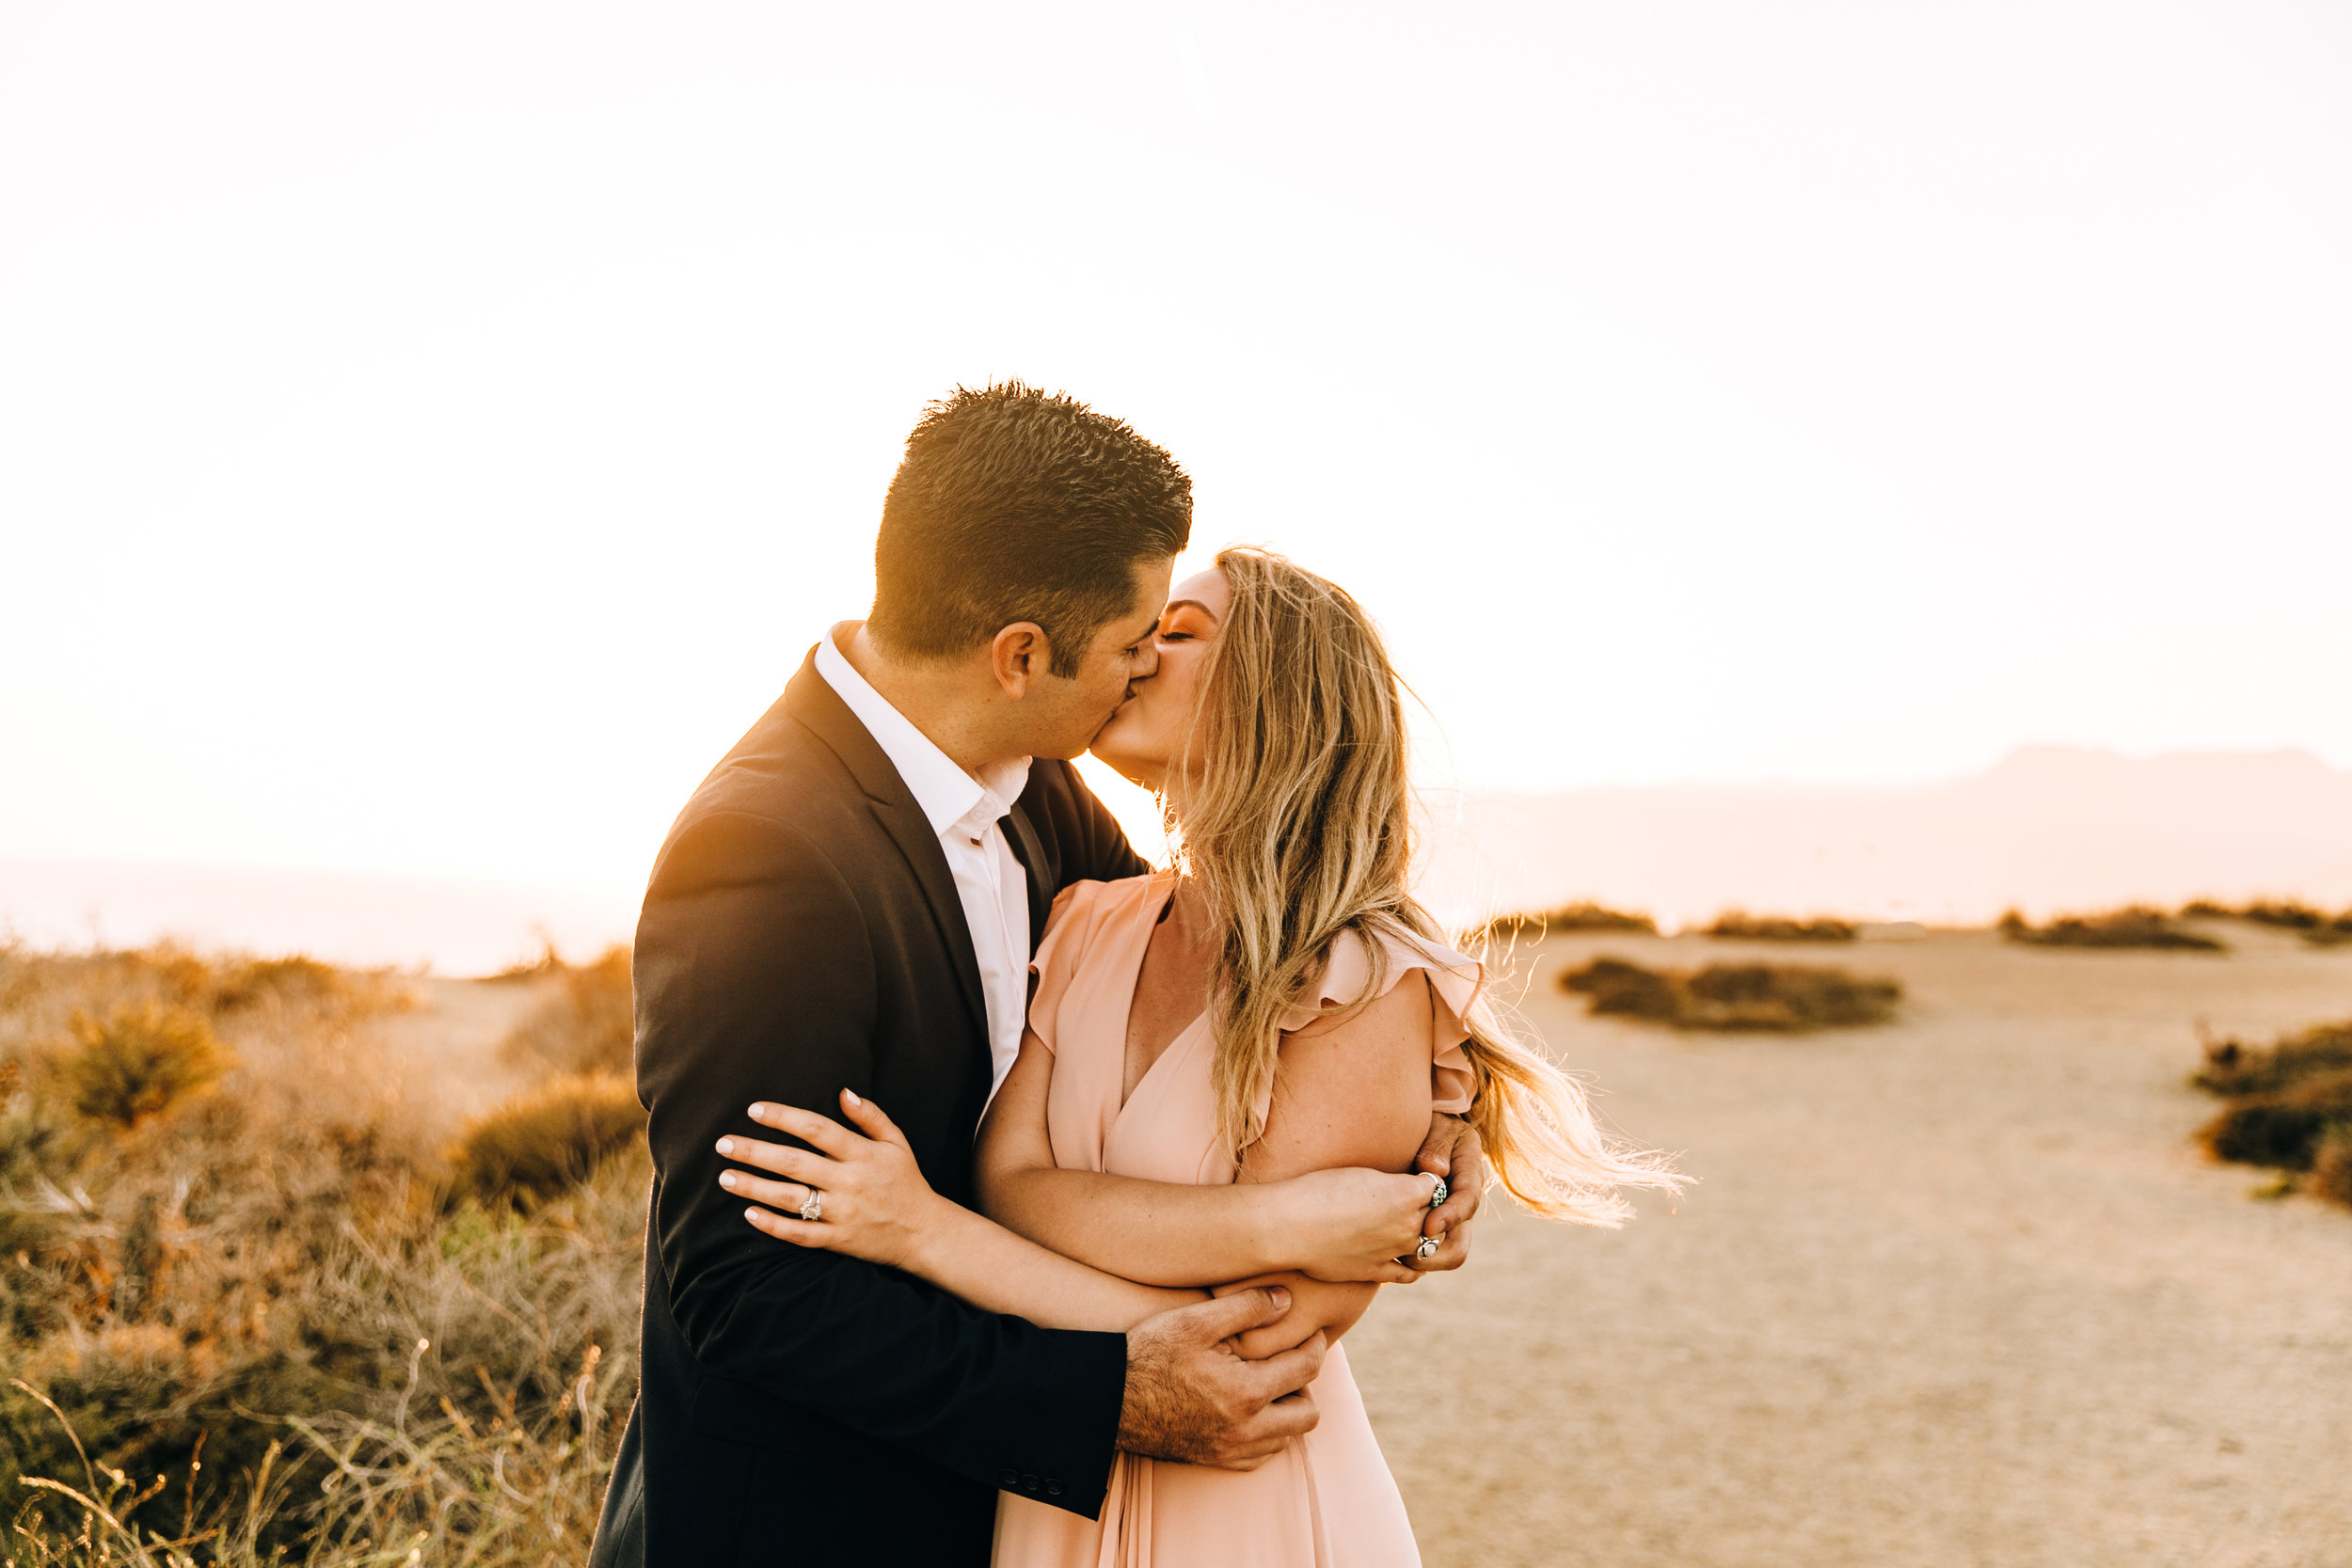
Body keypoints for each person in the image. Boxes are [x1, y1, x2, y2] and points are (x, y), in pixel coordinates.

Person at [588, 387, 1489, 1568]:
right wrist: (1109, 1390)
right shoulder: (766, 852)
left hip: (1092, 1503)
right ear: (1021, 655)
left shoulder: (1040, 793)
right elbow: (748, 1287)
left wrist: (1431, 1121)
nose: (1137, 671)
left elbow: (1235, 966)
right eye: (1132, 644)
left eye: (1175, 637)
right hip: (822, 1519)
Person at [718, 546, 1687, 1564]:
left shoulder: (1361, 977)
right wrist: (1273, 1219)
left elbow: (1258, 1345)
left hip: (1242, 1496)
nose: (1134, 653)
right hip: (1059, 1495)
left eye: (1175, 634)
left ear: (1276, 692)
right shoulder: (1091, 920)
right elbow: (1011, 1184)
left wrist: (919, 1230)